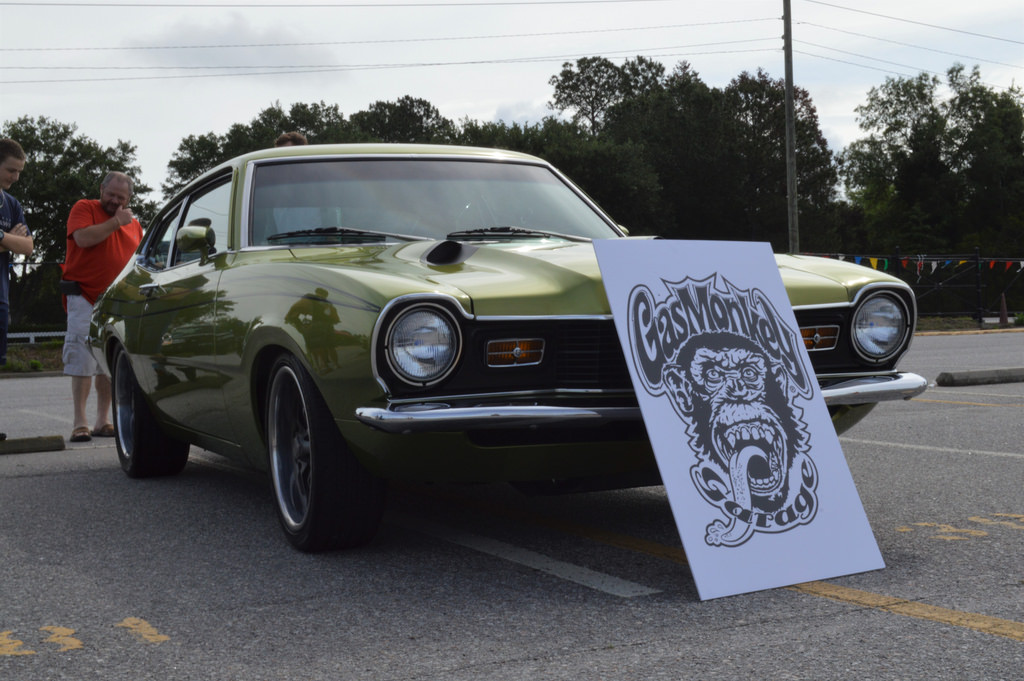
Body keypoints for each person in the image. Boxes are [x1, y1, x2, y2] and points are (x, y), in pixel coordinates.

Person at [62, 171, 143, 443]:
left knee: (108, 361)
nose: (115, 201)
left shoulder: (135, 225)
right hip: (84, 297)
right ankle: (79, 422)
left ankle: (103, 420)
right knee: (82, 359)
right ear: (101, 190)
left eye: (121, 197)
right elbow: (83, 239)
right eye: (111, 195)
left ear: (129, 198)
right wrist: (116, 222)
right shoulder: (84, 208)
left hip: (118, 302)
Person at [0, 138, 34, 442]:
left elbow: (28, 247)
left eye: (20, 172)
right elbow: (17, 243)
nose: (16, 177)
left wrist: (2, 238)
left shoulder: (11, 205)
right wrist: (8, 237)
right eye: (11, 170)